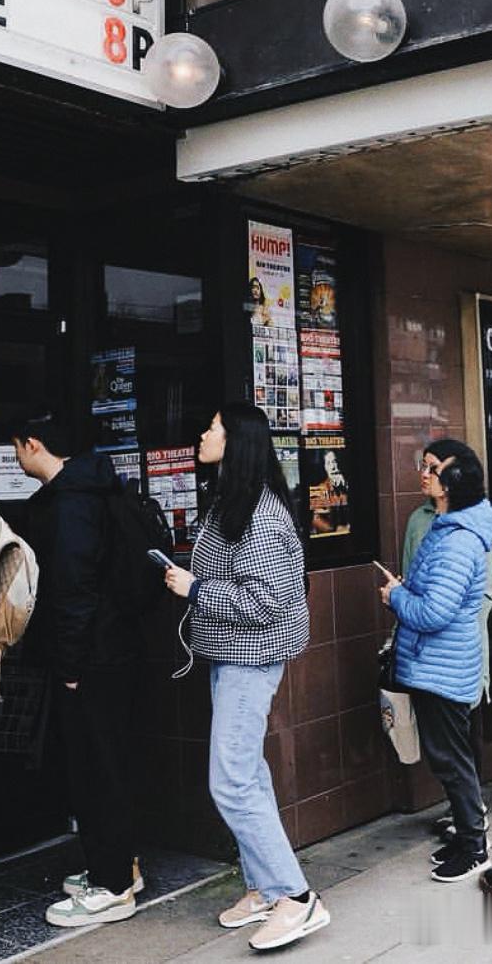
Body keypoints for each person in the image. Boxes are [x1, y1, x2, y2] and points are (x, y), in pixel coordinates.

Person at [162, 405, 329, 949]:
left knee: (230, 781)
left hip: (249, 660)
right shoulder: (233, 500)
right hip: (229, 655)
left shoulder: (258, 513)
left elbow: (264, 603)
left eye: (213, 428)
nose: (202, 434)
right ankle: (263, 886)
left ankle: (296, 897)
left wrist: (194, 589)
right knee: (248, 774)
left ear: (236, 441)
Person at [7, 413, 144, 927]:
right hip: (115, 648)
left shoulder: (71, 504)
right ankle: (122, 867)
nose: (15, 457)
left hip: (90, 657)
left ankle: (112, 885)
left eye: (16, 446)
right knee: (110, 762)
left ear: (33, 444)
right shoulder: (96, 487)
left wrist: (68, 663)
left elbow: (73, 591)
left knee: (94, 768)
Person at [378, 441, 492, 882]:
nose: (423, 474)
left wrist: (396, 597)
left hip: (442, 667)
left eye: (431, 468)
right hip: (439, 663)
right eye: (422, 465)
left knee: (451, 759)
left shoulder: (457, 540)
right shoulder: (449, 528)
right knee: (449, 757)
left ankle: (474, 845)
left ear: (452, 482)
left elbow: (433, 613)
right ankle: (468, 835)